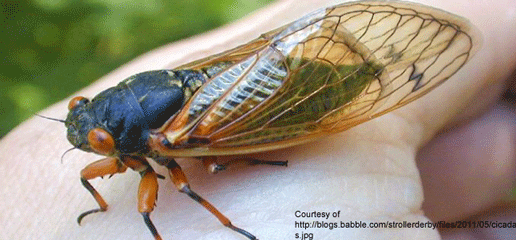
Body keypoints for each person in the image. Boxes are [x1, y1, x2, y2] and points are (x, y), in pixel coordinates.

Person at [1, 0, 515, 239]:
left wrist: (230, 223)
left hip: (278, 103)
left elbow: (184, 185)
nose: (93, 148)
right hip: (245, 80)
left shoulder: (165, 140)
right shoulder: (127, 141)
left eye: (94, 137)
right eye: (92, 133)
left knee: (169, 195)